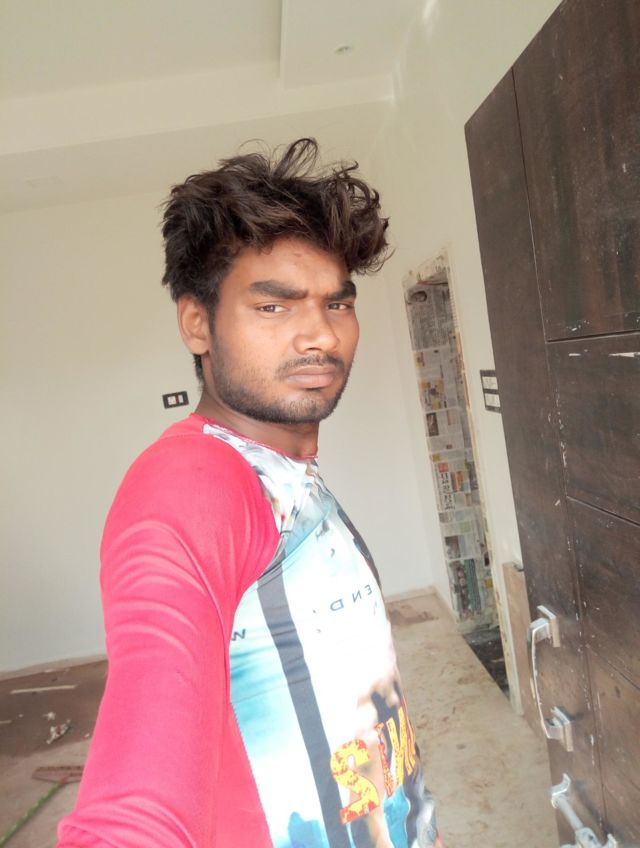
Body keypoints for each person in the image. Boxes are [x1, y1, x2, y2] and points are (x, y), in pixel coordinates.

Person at [57, 139, 442, 848]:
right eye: (272, 307)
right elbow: (136, 805)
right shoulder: (192, 485)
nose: (320, 334)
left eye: (337, 303)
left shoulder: (286, 470)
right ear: (197, 323)